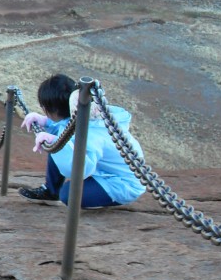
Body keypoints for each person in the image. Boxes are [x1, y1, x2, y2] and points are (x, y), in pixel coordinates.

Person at [19, 74, 145, 208]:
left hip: (122, 184)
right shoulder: (88, 113)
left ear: (54, 109)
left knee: (68, 194)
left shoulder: (92, 134)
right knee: (57, 142)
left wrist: (53, 140)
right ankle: (50, 191)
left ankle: (99, 198)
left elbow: (81, 169)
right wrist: (45, 121)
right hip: (108, 172)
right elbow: (65, 125)